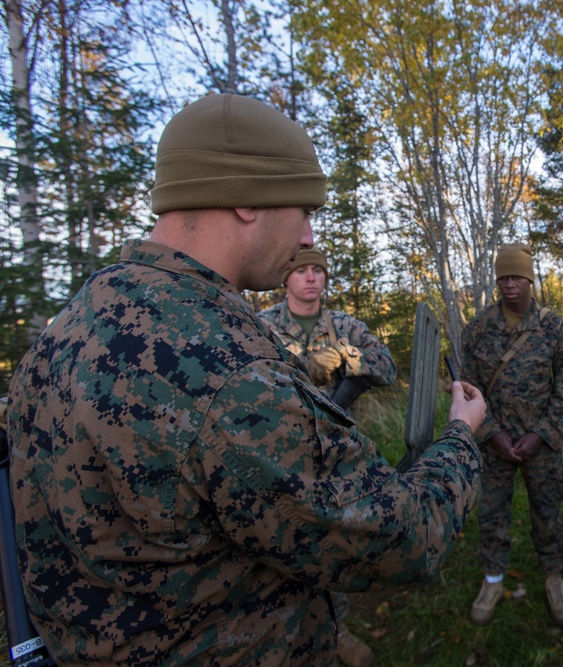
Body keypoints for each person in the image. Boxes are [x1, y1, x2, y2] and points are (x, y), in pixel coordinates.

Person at [4, 93, 486, 667]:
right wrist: (459, 436)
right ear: (246, 199)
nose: (309, 236)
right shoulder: (232, 374)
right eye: (305, 209)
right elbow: (401, 538)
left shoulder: (67, 330)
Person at [258, 248, 395, 667]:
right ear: (287, 277)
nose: (311, 278)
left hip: (335, 458)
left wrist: (348, 358)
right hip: (275, 456)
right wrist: (304, 365)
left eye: (318, 270)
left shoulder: (345, 326)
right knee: (275, 546)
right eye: (302, 270)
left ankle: (338, 631)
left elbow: (386, 367)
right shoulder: (262, 324)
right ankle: (277, 634)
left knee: (331, 545)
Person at [459, 243, 563, 627]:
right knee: (492, 513)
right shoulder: (478, 329)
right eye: (503, 278)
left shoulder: (553, 328)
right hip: (495, 445)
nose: (510, 285)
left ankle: (554, 577)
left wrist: (541, 435)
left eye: (517, 277)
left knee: (548, 512)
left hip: (538, 445)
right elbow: (467, 386)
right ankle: (492, 579)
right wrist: (491, 434)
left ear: (530, 279)